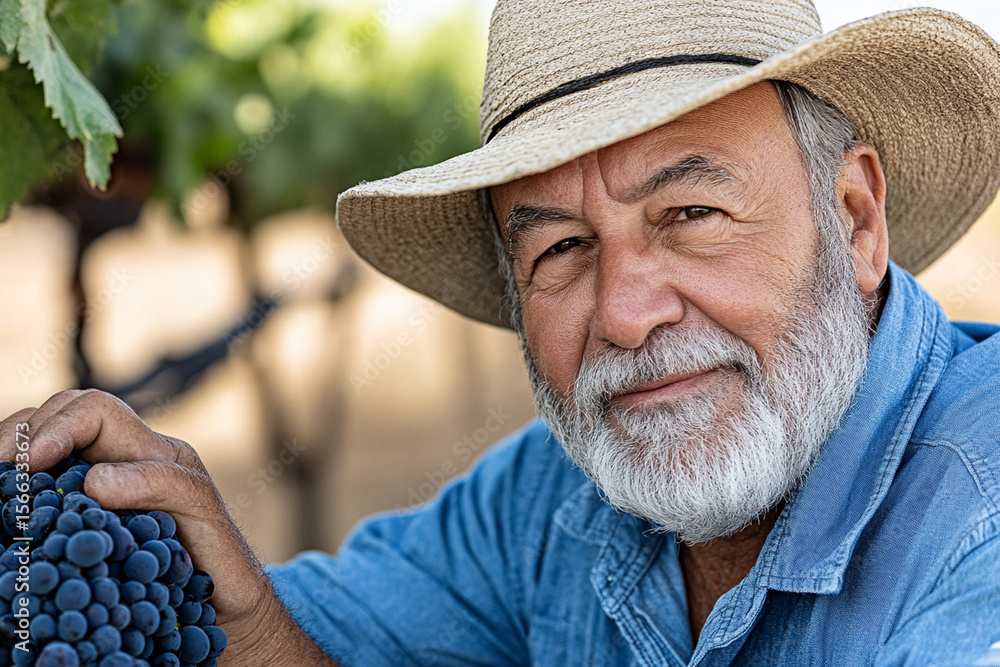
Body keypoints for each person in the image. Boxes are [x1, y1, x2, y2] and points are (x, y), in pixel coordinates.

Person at [3, 0, 1000, 664]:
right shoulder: (544, 506)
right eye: (562, 248)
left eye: (689, 216)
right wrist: (224, 593)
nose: (623, 311)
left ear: (855, 218)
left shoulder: (980, 525)